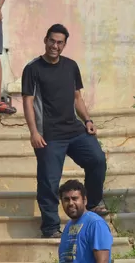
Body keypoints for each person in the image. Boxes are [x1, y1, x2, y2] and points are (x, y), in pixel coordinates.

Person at [22, 24, 108, 239]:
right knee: (49, 181)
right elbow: (28, 102)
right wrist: (34, 132)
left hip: (74, 130)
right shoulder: (33, 69)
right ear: (45, 40)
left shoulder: (71, 66)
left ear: (64, 45)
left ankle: (94, 203)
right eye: (52, 41)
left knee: (97, 160)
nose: (55, 46)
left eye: (60, 42)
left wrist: (87, 120)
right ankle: (51, 227)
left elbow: (77, 98)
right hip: (49, 135)